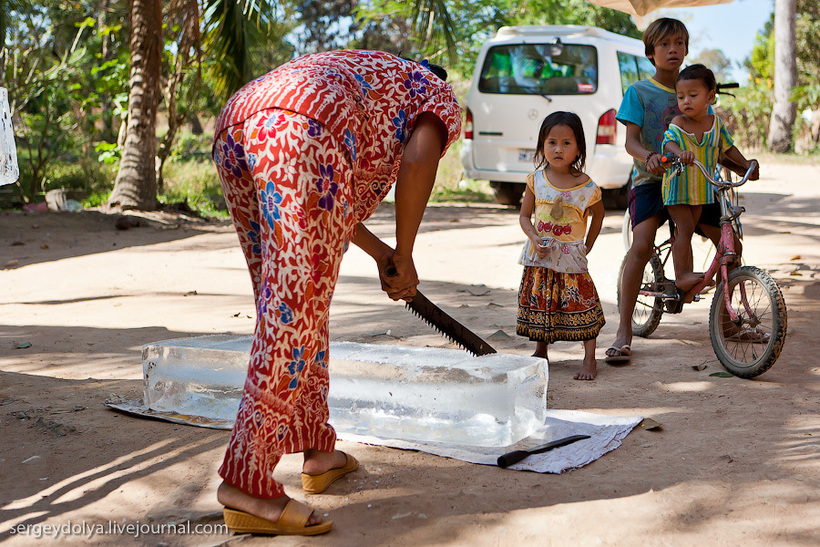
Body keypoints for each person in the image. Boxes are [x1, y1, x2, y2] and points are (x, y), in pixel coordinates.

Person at [211, 50, 461, 535]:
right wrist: (405, 252)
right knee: (295, 310)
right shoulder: (434, 92)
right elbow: (418, 159)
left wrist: (382, 252)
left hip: (240, 123)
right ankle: (245, 481)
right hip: (303, 126)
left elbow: (337, 200)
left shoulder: (368, 76)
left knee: (292, 303)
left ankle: (317, 447)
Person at [603, 18, 756, 364]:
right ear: (650, 52)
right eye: (664, 44)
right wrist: (651, 157)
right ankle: (624, 330)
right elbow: (630, 141)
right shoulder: (639, 92)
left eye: (679, 43)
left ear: (686, 48)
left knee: (730, 246)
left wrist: (746, 166)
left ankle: (728, 324)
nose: (673, 50)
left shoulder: (697, 90)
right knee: (641, 244)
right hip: (653, 181)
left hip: (697, 182)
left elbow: (718, 144)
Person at [517, 111, 606, 381]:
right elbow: (524, 216)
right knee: (543, 302)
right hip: (541, 257)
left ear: (579, 147)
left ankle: (589, 359)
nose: (558, 149)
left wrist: (587, 245)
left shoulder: (586, 186)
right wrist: (533, 237)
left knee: (582, 304)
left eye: (567, 143)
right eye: (551, 142)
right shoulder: (536, 180)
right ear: (542, 145)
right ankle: (540, 350)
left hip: (572, 260)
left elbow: (599, 215)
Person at [662, 64, 757, 293]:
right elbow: (668, 142)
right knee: (684, 229)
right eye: (681, 96)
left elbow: (728, 147)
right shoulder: (679, 122)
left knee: (719, 235)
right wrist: (679, 153)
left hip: (703, 191)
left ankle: (720, 292)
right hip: (678, 188)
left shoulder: (715, 124)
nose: (686, 101)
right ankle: (682, 275)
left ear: (710, 97)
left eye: (693, 96)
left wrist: (745, 164)